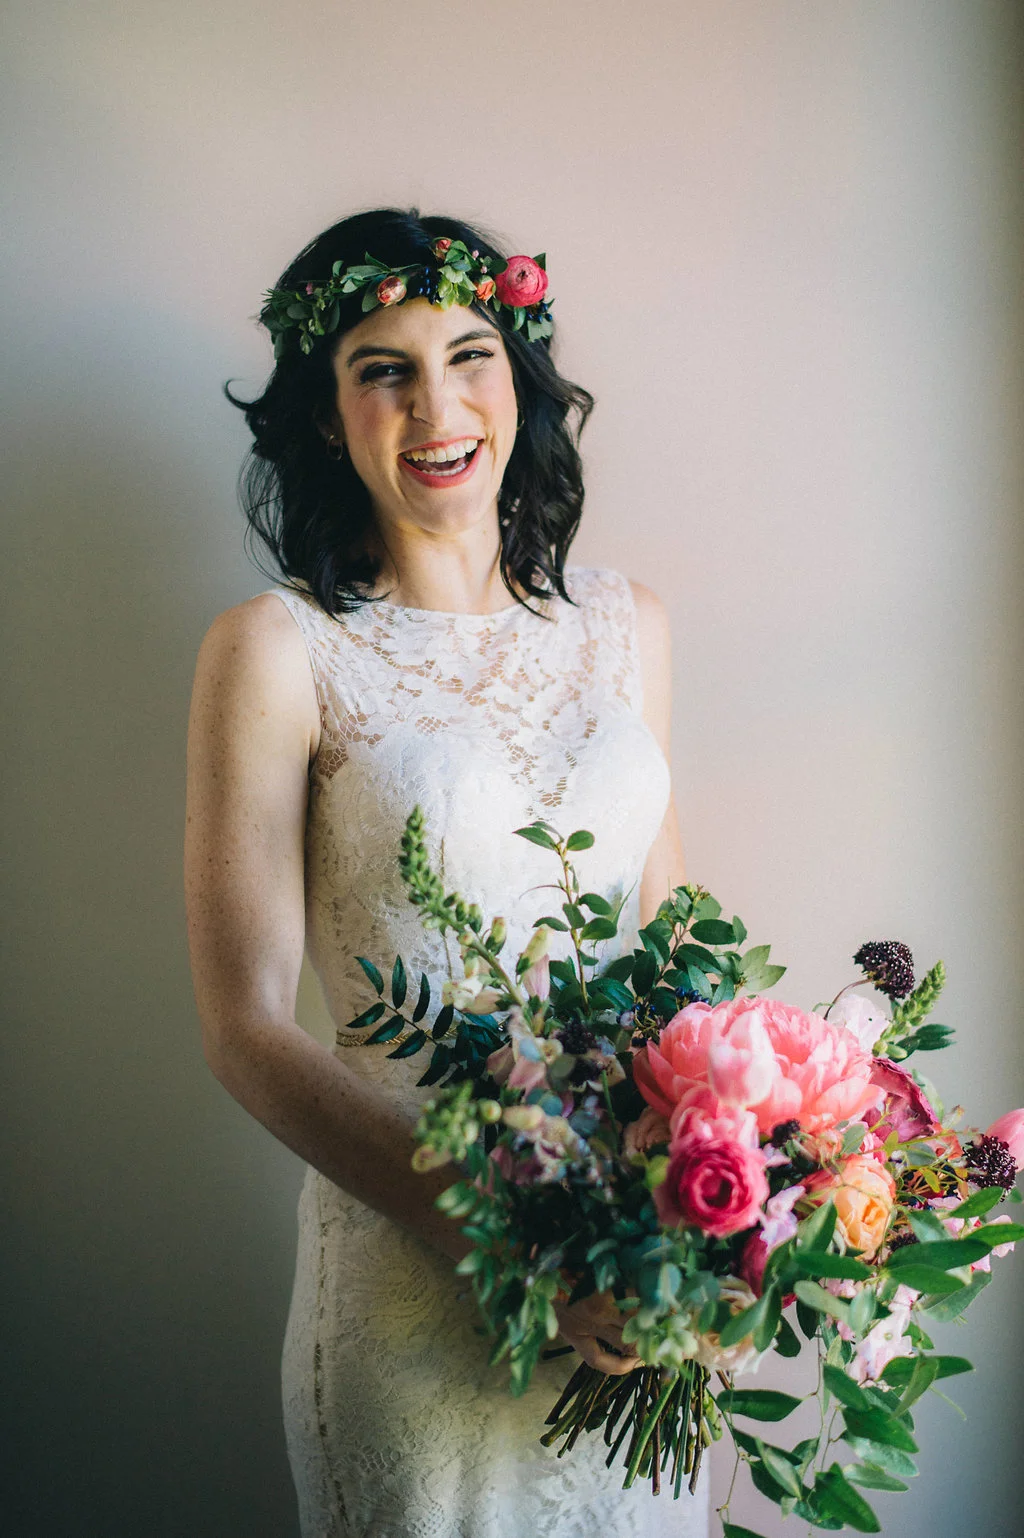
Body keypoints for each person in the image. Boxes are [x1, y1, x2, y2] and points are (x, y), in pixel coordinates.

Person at [184, 207, 708, 1538]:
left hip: (630, 1301)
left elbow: (675, 971)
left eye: (470, 352)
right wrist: (516, 1242)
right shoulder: (277, 651)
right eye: (384, 368)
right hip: (417, 1294)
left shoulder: (626, 626)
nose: (437, 404)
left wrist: (719, 1229)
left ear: (516, 378)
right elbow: (246, 1028)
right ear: (325, 415)